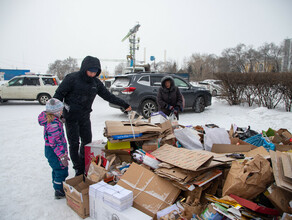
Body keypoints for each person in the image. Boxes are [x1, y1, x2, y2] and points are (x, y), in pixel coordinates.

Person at [53, 56, 131, 176]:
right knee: (74, 144)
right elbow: (58, 95)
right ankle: (78, 169)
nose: (92, 73)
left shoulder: (96, 82)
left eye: (95, 71)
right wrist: (56, 112)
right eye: (90, 70)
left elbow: (108, 96)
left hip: (84, 116)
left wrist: (124, 104)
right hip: (71, 117)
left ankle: (84, 163)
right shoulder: (72, 78)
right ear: (84, 68)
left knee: (87, 141)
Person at [38, 98, 70, 199]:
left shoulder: (53, 121)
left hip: (52, 151)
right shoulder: (54, 125)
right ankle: (59, 190)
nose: (62, 112)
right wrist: (62, 155)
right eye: (61, 110)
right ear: (56, 112)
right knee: (62, 170)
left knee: (56, 169)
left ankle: (56, 185)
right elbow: (55, 142)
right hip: (55, 152)